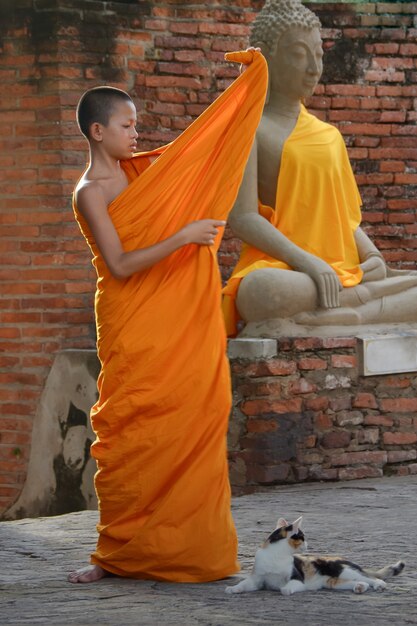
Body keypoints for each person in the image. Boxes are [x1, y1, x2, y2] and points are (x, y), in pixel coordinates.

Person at [68, 49, 267, 583]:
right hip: (134, 317)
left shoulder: (145, 173)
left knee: (190, 418)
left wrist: (243, 97)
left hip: (174, 313)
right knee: (136, 431)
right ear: (96, 132)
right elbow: (121, 263)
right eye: (126, 125)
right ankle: (117, 553)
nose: (136, 133)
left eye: (136, 125)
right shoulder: (90, 193)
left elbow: (197, 157)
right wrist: (181, 238)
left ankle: (190, 547)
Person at [222, 0, 417, 336]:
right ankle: (357, 306)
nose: (314, 67)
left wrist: (371, 255)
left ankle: (344, 314)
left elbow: (340, 214)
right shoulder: (250, 129)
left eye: (319, 54)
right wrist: (307, 262)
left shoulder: (329, 136)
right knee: (261, 291)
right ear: (266, 56)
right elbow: (243, 218)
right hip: (287, 268)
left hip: (342, 268)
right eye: (300, 54)